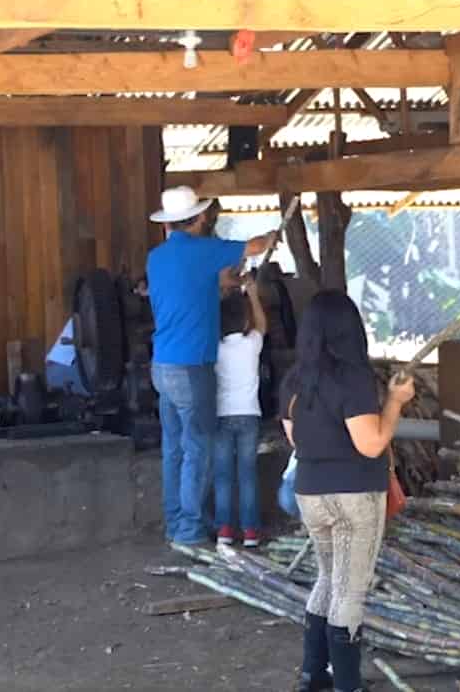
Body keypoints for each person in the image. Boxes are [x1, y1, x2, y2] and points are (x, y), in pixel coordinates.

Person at [280, 291, 414, 692]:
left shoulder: (294, 381)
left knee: (327, 578)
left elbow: (295, 440)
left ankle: (313, 675)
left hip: (311, 494)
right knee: (350, 590)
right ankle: (347, 685)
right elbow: (370, 444)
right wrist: (395, 401)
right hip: (355, 495)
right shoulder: (352, 379)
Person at [148, 186, 278, 546]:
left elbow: (207, 280)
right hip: (192, 367)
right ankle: (189, 530)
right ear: (201, 218)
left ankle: (175, 522)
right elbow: (254, 247)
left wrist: (232, 282)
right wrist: (273, 234)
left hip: (162, 365)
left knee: (173, 448)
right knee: (197, 449)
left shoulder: (156, 258)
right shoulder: (204, 249)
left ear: (168, 223)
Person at [213, 281, 267, 548]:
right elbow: (262, 325)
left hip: (222, 415)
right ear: (244, 318)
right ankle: (250, 532)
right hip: (249, 415)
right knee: (247, 473)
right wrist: (254, 295)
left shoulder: (216, 349)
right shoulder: (251, 344)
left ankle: (224, 530)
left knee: (223, 473)